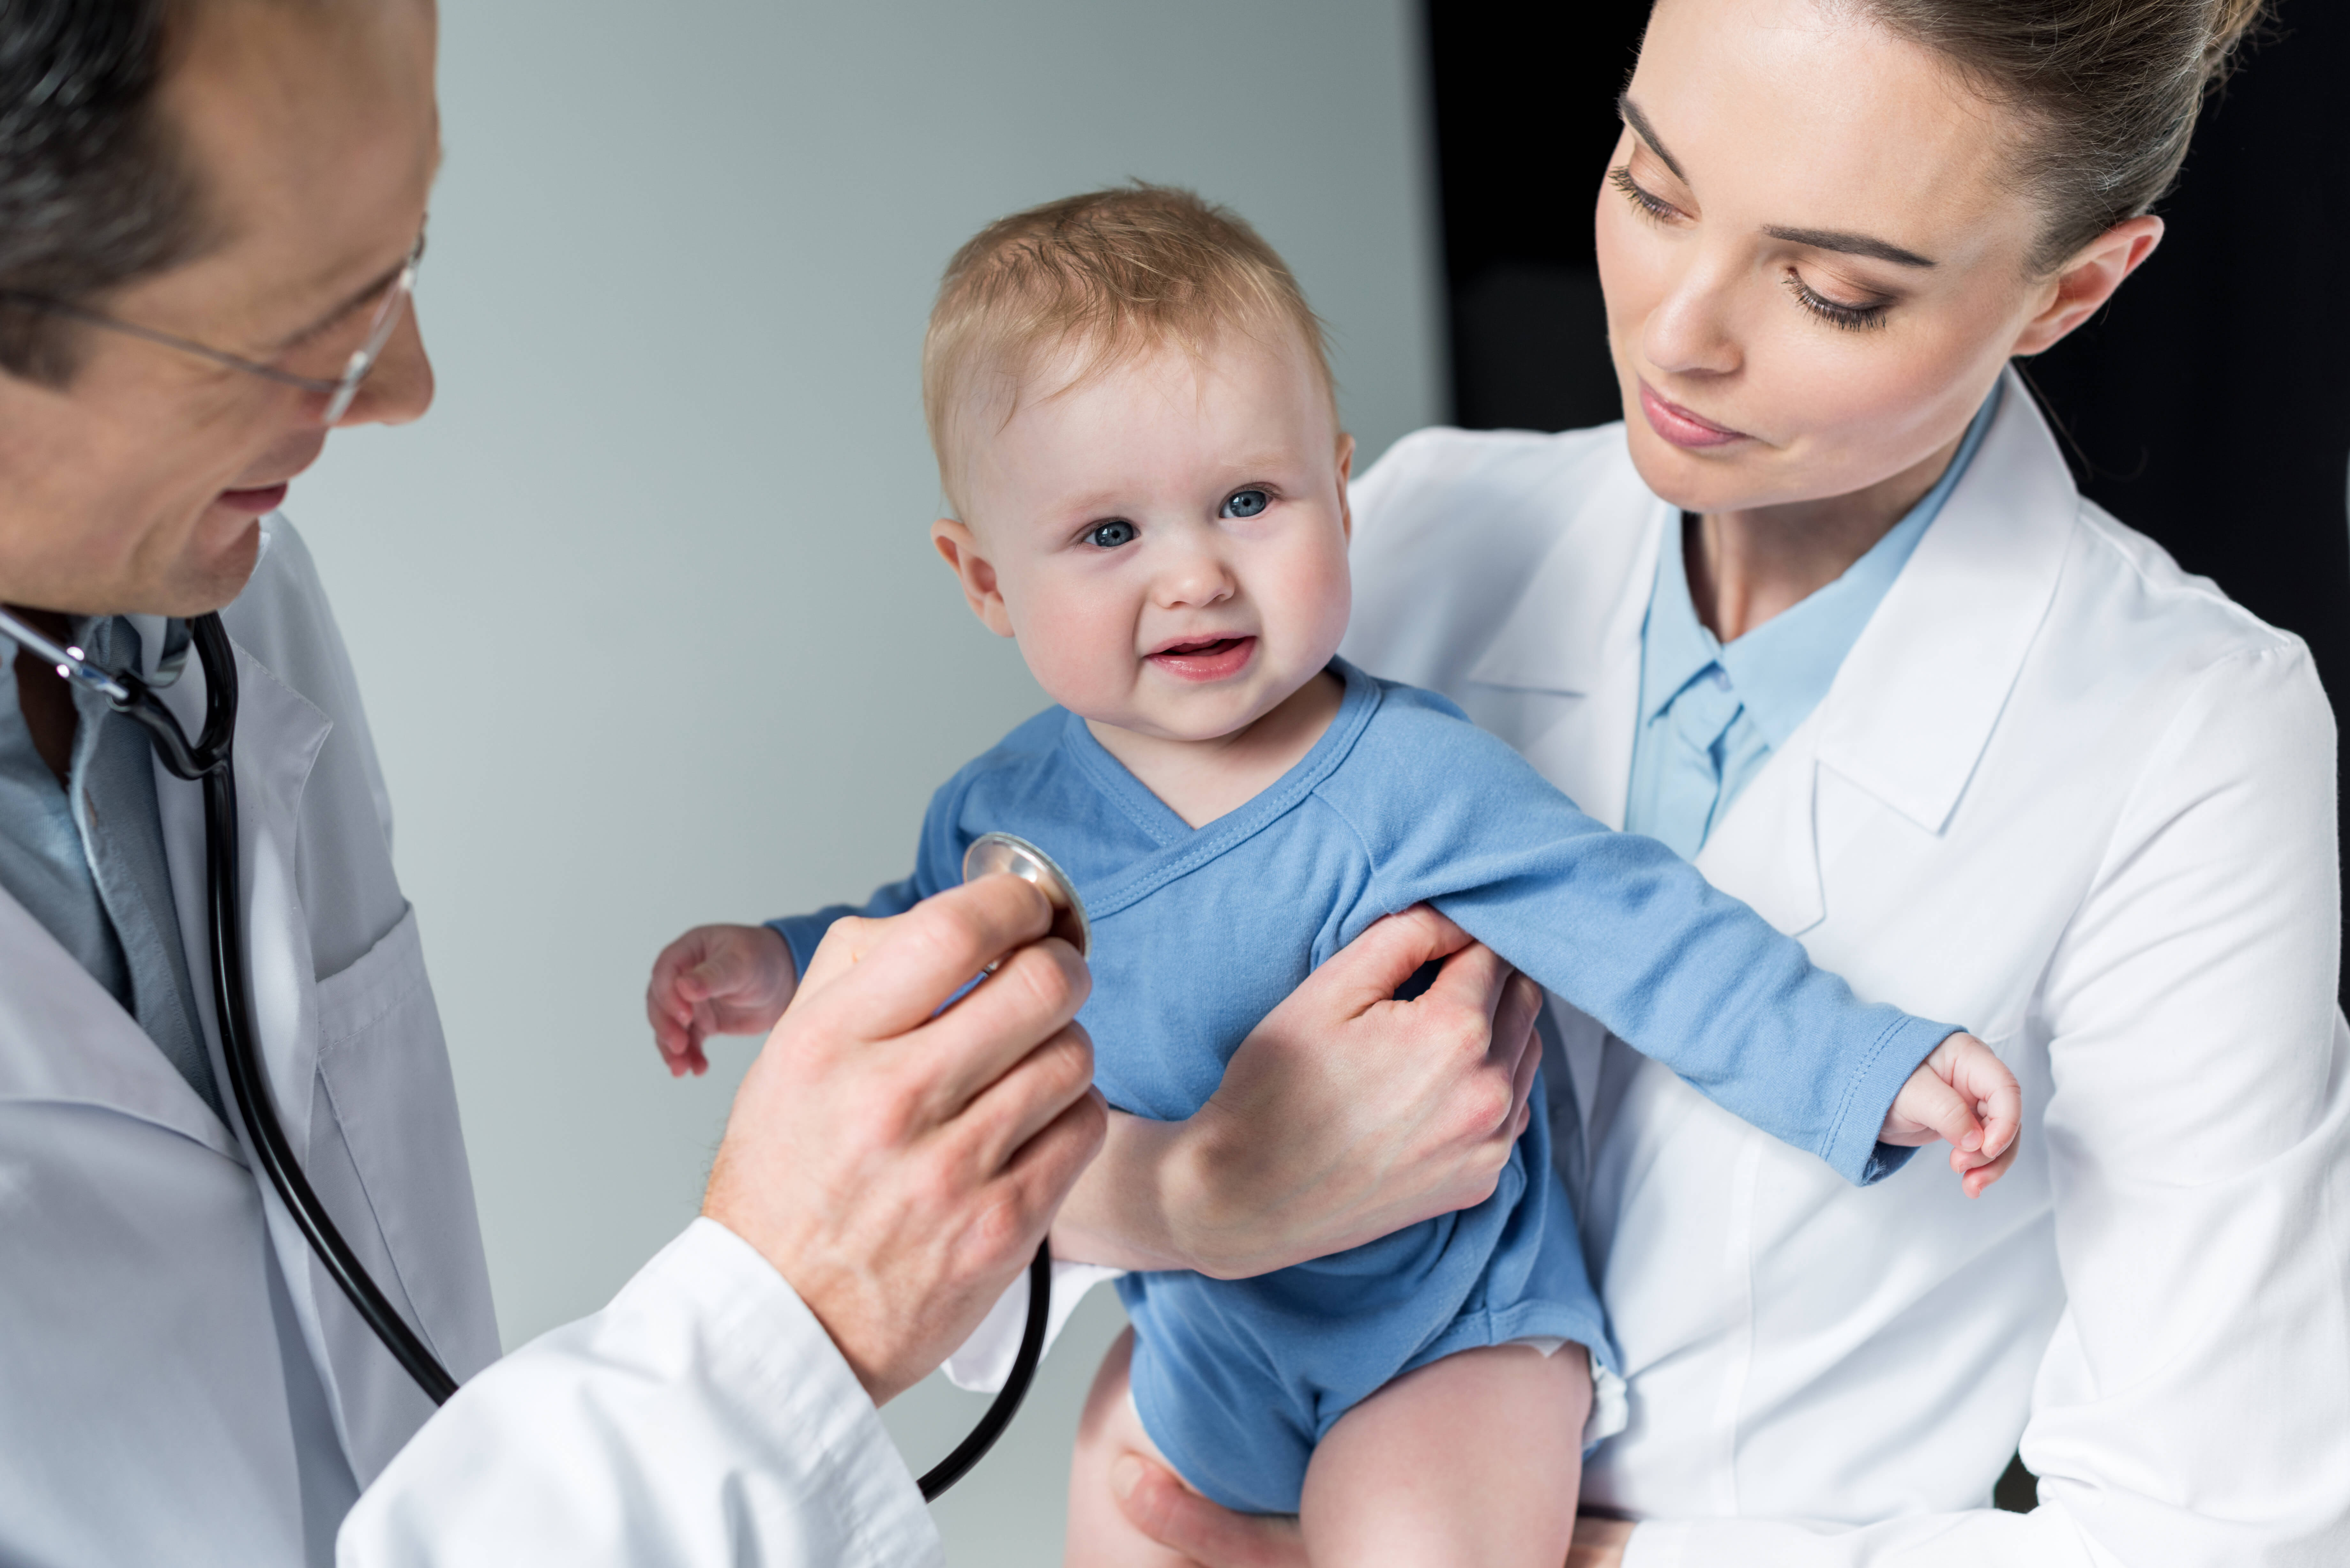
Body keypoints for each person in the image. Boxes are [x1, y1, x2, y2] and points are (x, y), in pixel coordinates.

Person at [980, 1, 2345, 1564]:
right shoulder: (1401, 535)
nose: (1678, 331)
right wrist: (1193, 1199)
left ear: (2073, 286)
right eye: (1650, 183)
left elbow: (2217, 1525)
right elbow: (976, 1137)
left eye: (1833, 292)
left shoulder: (2185, 729)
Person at [647, 185, 2021, 1567]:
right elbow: (912, 951)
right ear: (985, 580)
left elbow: (1645, 931)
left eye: (1248, 501)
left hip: (1442, 1345)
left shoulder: (1408, 779)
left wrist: (1867, 1071)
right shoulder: (1007, 809)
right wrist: (775, 959)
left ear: (1342, 497)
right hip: (1199, 1334)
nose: (1194, 575)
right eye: (1110, 534)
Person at [0, 2, 1137, 1562]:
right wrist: (773, 1334)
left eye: (401, 261)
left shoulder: (204, 603)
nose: (403, 383)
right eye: (302, 328)